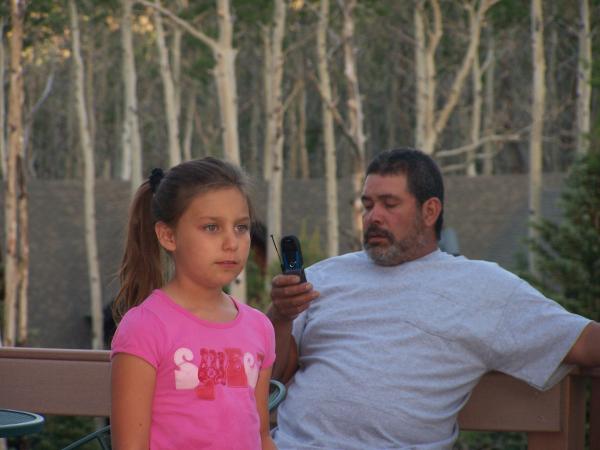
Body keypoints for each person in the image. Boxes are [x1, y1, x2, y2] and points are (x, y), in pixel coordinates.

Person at [268, 148, 600, 450]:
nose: (373, 217)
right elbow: (274, 376)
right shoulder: (324, 276)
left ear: (430, 211)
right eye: (368, 205)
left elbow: (584, 343)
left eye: (389, 204)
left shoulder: (482, 286)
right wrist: (281, 316)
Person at [110, 157, 276, 450]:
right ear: (168, 235)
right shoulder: (145, 327)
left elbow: (261, 436)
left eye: (241, 227)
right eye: (212, 227)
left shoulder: (260, 326)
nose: (231, 243)